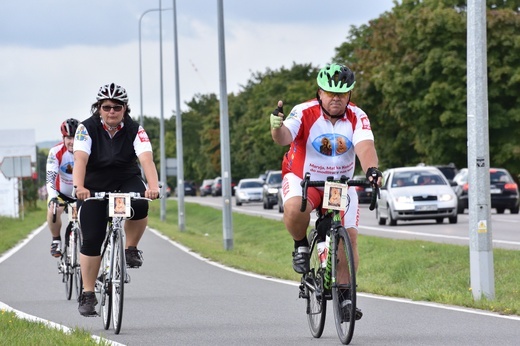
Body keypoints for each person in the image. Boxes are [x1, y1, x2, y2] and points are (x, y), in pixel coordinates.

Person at [270, 63, 382, 321]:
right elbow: (284, 137)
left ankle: (345, 298)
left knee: (350, 237)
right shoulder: (303, 111)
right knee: (294, 206)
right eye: (330, 93)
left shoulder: (357, 116)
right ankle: (300, 245)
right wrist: (276, 127)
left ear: (349, 95)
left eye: (341, 94)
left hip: (339, 184)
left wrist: (372, 171)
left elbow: (365, 146)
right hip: (304, 178)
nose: (336, 98)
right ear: (320, 93)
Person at [73, 83, 160, 316]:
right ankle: (89, 293)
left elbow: (146, 160)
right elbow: (80, 159)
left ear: (125, 109)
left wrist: (153, 186)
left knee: (141, 203)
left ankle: (131, 248)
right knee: (92, 238)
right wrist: (79, 187)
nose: (112, 111)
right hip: (93, 185)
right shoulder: (86, 128)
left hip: (124, 180)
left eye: (117, 107)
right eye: (106, 107)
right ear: (99, 108)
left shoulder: (135, 129)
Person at [45, 118, 79, 257]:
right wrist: (53, 197)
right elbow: (50, 177)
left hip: (80, 192)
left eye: (76, 137)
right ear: (63, 138)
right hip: (61, 193)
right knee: (53, 210)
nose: (72, 142)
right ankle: (56, 240)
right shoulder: (56, 151)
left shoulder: (88, 150)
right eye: (69, 138)